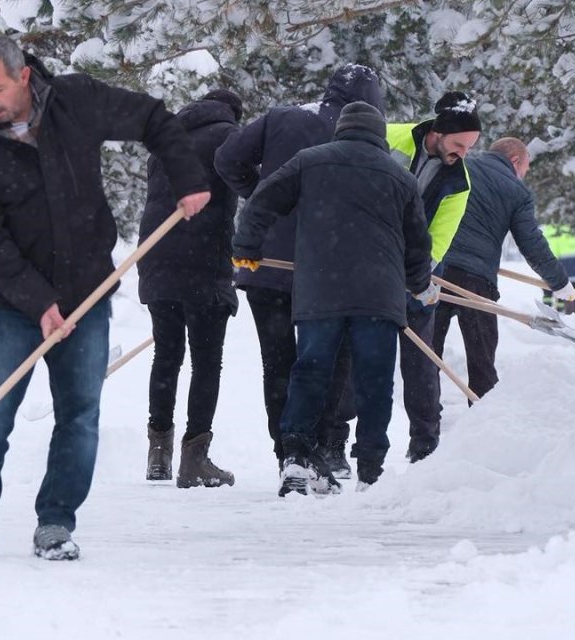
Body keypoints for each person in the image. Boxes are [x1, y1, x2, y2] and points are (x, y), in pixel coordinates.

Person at [0, 35, 210, 560]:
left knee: (79, 416)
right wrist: (37, 301)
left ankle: (56, 523)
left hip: (87, 293)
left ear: (23, 77)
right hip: (8, 303)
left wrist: (188, 177)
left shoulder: (76, 101)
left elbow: (153, 117)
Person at [231, 101, 433, 495]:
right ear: (379, 135)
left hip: (321, 289)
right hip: (379, 296)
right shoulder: (401, 177)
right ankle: (371, 470)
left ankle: (295, 457)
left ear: (341, 129)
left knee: (310, 372)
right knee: (374, 381)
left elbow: (262, 200)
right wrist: (417, 282)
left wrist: (247, 246)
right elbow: (418, 246)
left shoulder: (309, 161)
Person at [214, 63, 385, 479]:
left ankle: (288, 453)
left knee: (278, 362)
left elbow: (227, 158)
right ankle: (324, 446)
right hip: (327, 269)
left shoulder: (282, 117)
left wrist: (262, 194)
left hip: (266, 262)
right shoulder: (359, 137)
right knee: (328, 360)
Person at [137, 89, 243, 488]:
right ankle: (194, 459)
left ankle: (158, 455)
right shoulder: (231, 137)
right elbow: (249, 186)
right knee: (205, 361)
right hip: (204, 261)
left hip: (156, 258)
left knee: (166, 356)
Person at [432, 137, 575, 399]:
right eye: (526, 169)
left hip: (435, 270)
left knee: (427, 355)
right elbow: (531, 243)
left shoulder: (461, 167)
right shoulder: (516, 191)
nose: (524, 176)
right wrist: (559, 282)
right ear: (515, 161)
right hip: (476, 280)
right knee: (482, 361)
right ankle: (485, 422)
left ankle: (424, 432)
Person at [385, 90, 483, 467]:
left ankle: (425, 441)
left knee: (421, 355)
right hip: (365, 258)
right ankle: (339, 439)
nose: (464, 153)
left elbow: (438, 242)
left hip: (417, 270)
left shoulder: (460, 182)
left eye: (471, 146)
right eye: (459, 143)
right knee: (358, 349)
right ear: (438, 131)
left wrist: (415, 275)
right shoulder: (389, 136)